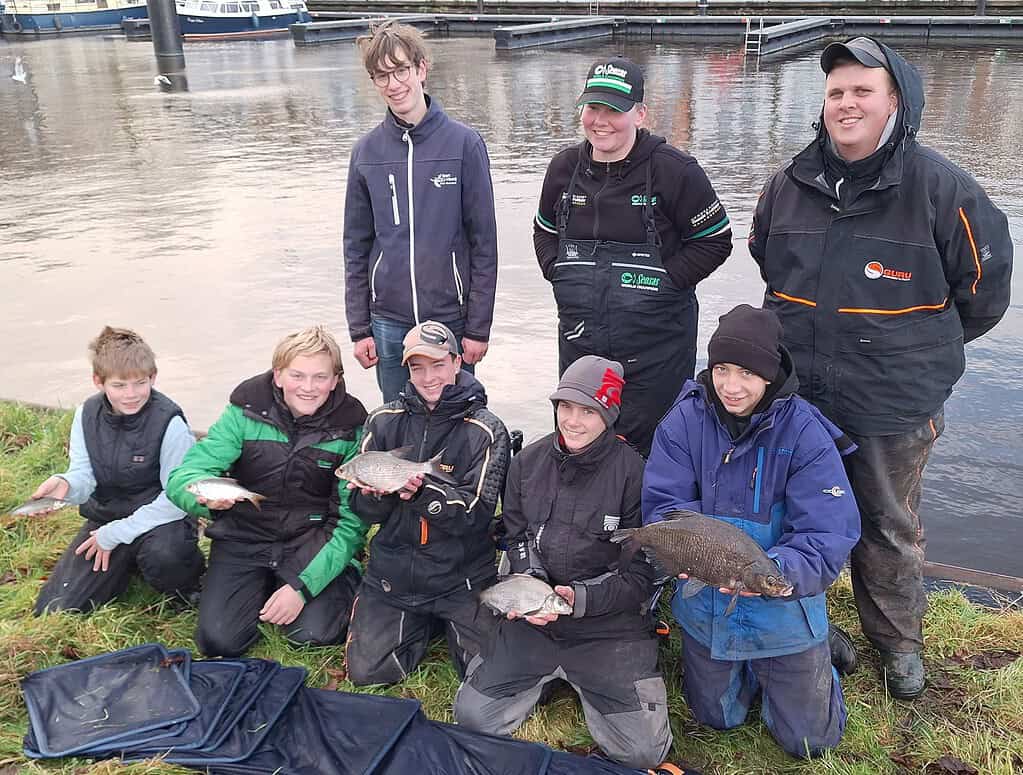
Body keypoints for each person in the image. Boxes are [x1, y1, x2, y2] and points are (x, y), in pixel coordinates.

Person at [748, 37, 1013, 699]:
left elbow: (983, 291)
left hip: (893, 400)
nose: (845, 103)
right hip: (800, 394)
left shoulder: (941, 188)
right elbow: (765, 261)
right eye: (836, 91)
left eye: (861, 90)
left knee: (887, 525)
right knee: (793, 515)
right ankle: (809, 627)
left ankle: (895, 643)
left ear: (895, 100)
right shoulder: (787, 184)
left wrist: (918, 356)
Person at [643, 305, 861, 758]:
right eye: (721, 369)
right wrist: (681, 555)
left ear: (769, 374)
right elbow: (664, 508)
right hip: (708, 604)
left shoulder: (805, 432)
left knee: (809, 742)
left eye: (746, 372)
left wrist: (775, 575)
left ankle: (820, 657)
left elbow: (827, 533)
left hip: (783, 610)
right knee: (716, 719)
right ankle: (746, 673)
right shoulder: (684, 420)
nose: (731, 386)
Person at [454, 355, 672, 770]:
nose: (572, 420)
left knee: (644, 752)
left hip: (608, 627)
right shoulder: (526, 463)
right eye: (565, 406)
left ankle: (579, 677)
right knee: (472, 717)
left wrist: (582, 598)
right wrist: (532, 580)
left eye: (587, 410)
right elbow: (516, 537)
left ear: (609, 413)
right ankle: (546, 673)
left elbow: (642, 573)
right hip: (537, 619)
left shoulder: (636, 474)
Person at [533, 56, 732, 456]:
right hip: (580, 343)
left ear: (640, 113)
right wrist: (559, 273)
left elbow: (716, 240)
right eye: (593, 108)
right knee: (583, 448)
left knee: (654, 455)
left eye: (615, 110)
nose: (601, 121)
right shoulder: (563, 169)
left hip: (655, 351)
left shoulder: (675, 171)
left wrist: (666, 281)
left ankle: (658, 519)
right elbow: (544, 231)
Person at [166, 326, 368, 657]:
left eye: (320, 377)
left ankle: (337, 581)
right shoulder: (243, 412)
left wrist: (301, 587)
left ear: (335, 380)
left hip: (310, 540)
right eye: (297, 375)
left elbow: (349, 522)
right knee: (218, 642)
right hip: (244, 537)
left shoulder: (352, 428)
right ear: (278, 375)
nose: (308, 387)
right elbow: (184, 475)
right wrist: (202, 499)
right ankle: (260, 586)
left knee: (312, 635)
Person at [344, 320, 509, 686]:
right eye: (417, 367)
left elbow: (478, 515)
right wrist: (372, 497)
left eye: (437, 365)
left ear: (456, 362)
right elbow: (360, 509)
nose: (428, 376)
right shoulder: (383, 420)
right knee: (368, 675)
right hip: (394, 576)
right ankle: (419, 625)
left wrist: (421, 494)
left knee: (492, 680)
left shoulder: (487, 430)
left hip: (460, 577)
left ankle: (446, 621)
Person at [343, 20, 499, 403]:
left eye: (401, 71)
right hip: (388, 321)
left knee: (456, 419)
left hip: (450, 317)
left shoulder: (464, 144)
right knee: (397, 422)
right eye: (382, 76)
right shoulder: (366, 153)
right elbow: (355, 246)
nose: (394, 84)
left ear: (421, 69)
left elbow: (484, 243)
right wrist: (359, 328)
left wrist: (478, 328)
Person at [33, 326, 204, 615]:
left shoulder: (170, 423)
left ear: (153, 377)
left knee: (166, 556)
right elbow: (83, 475)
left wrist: (117, 534)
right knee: (56, 609)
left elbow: (176, 498)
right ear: (98, 382)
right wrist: (66, 485)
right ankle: (125, 567)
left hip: (161, 521)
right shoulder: (85, 415)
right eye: (119, 386)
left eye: (140, 383)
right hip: (106, 519)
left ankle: (188, 584)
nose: (132, 394)